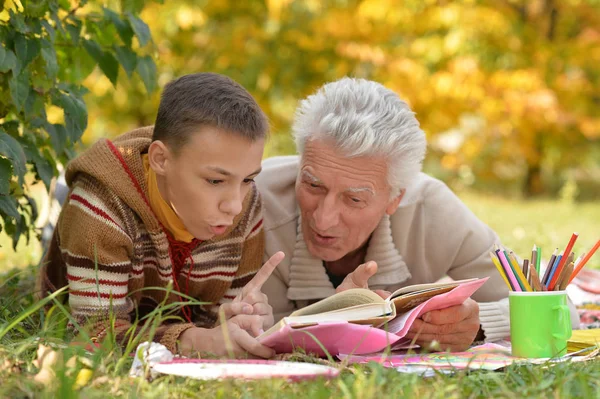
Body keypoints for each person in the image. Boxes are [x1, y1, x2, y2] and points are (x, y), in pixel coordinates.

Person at [257, 77, 579, 352]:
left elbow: (560, 309)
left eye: (354, 199)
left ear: (396, 197)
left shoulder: (432, 209)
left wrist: (479, 322)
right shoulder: (250, 198)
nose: (323, 218)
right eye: (313, 185)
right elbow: (224, 324)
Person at [38, 72, 281, 358]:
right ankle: (57, 208)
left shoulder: (246, 204)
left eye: (248, 179)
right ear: (160, 159)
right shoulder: (100, 205)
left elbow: (217, 334)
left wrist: (234, 324)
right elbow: (93, 335)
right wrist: (199, 342)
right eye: (215, 181)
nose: (235, 206)